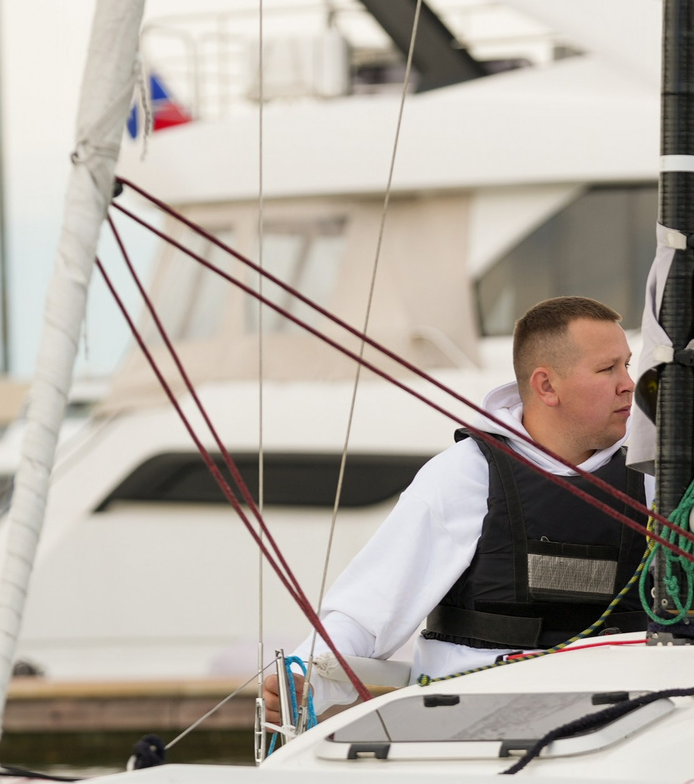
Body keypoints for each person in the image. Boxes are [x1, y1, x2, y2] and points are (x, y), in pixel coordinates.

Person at [277, 295, 646, 711]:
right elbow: (367, 611)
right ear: (546, 386)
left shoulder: (652, 484)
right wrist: (301, 676)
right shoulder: (465, 476)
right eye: (607, 369)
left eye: (626, 365)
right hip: (472, 721)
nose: (628, 384)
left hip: (617, 715)